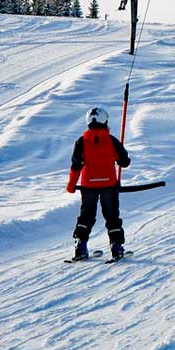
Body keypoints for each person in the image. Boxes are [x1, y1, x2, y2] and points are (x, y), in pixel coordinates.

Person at [66, 106, 131, 261]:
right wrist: (120, 159)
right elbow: (125, 161)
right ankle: (116, 247)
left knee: (86, 216)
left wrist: (71, 185)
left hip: (88, 186)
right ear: (105, 121)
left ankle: (80, 246)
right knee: (112, 216)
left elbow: (76, 166)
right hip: (109, 185)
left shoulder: (81, 142)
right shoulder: (111, 141)